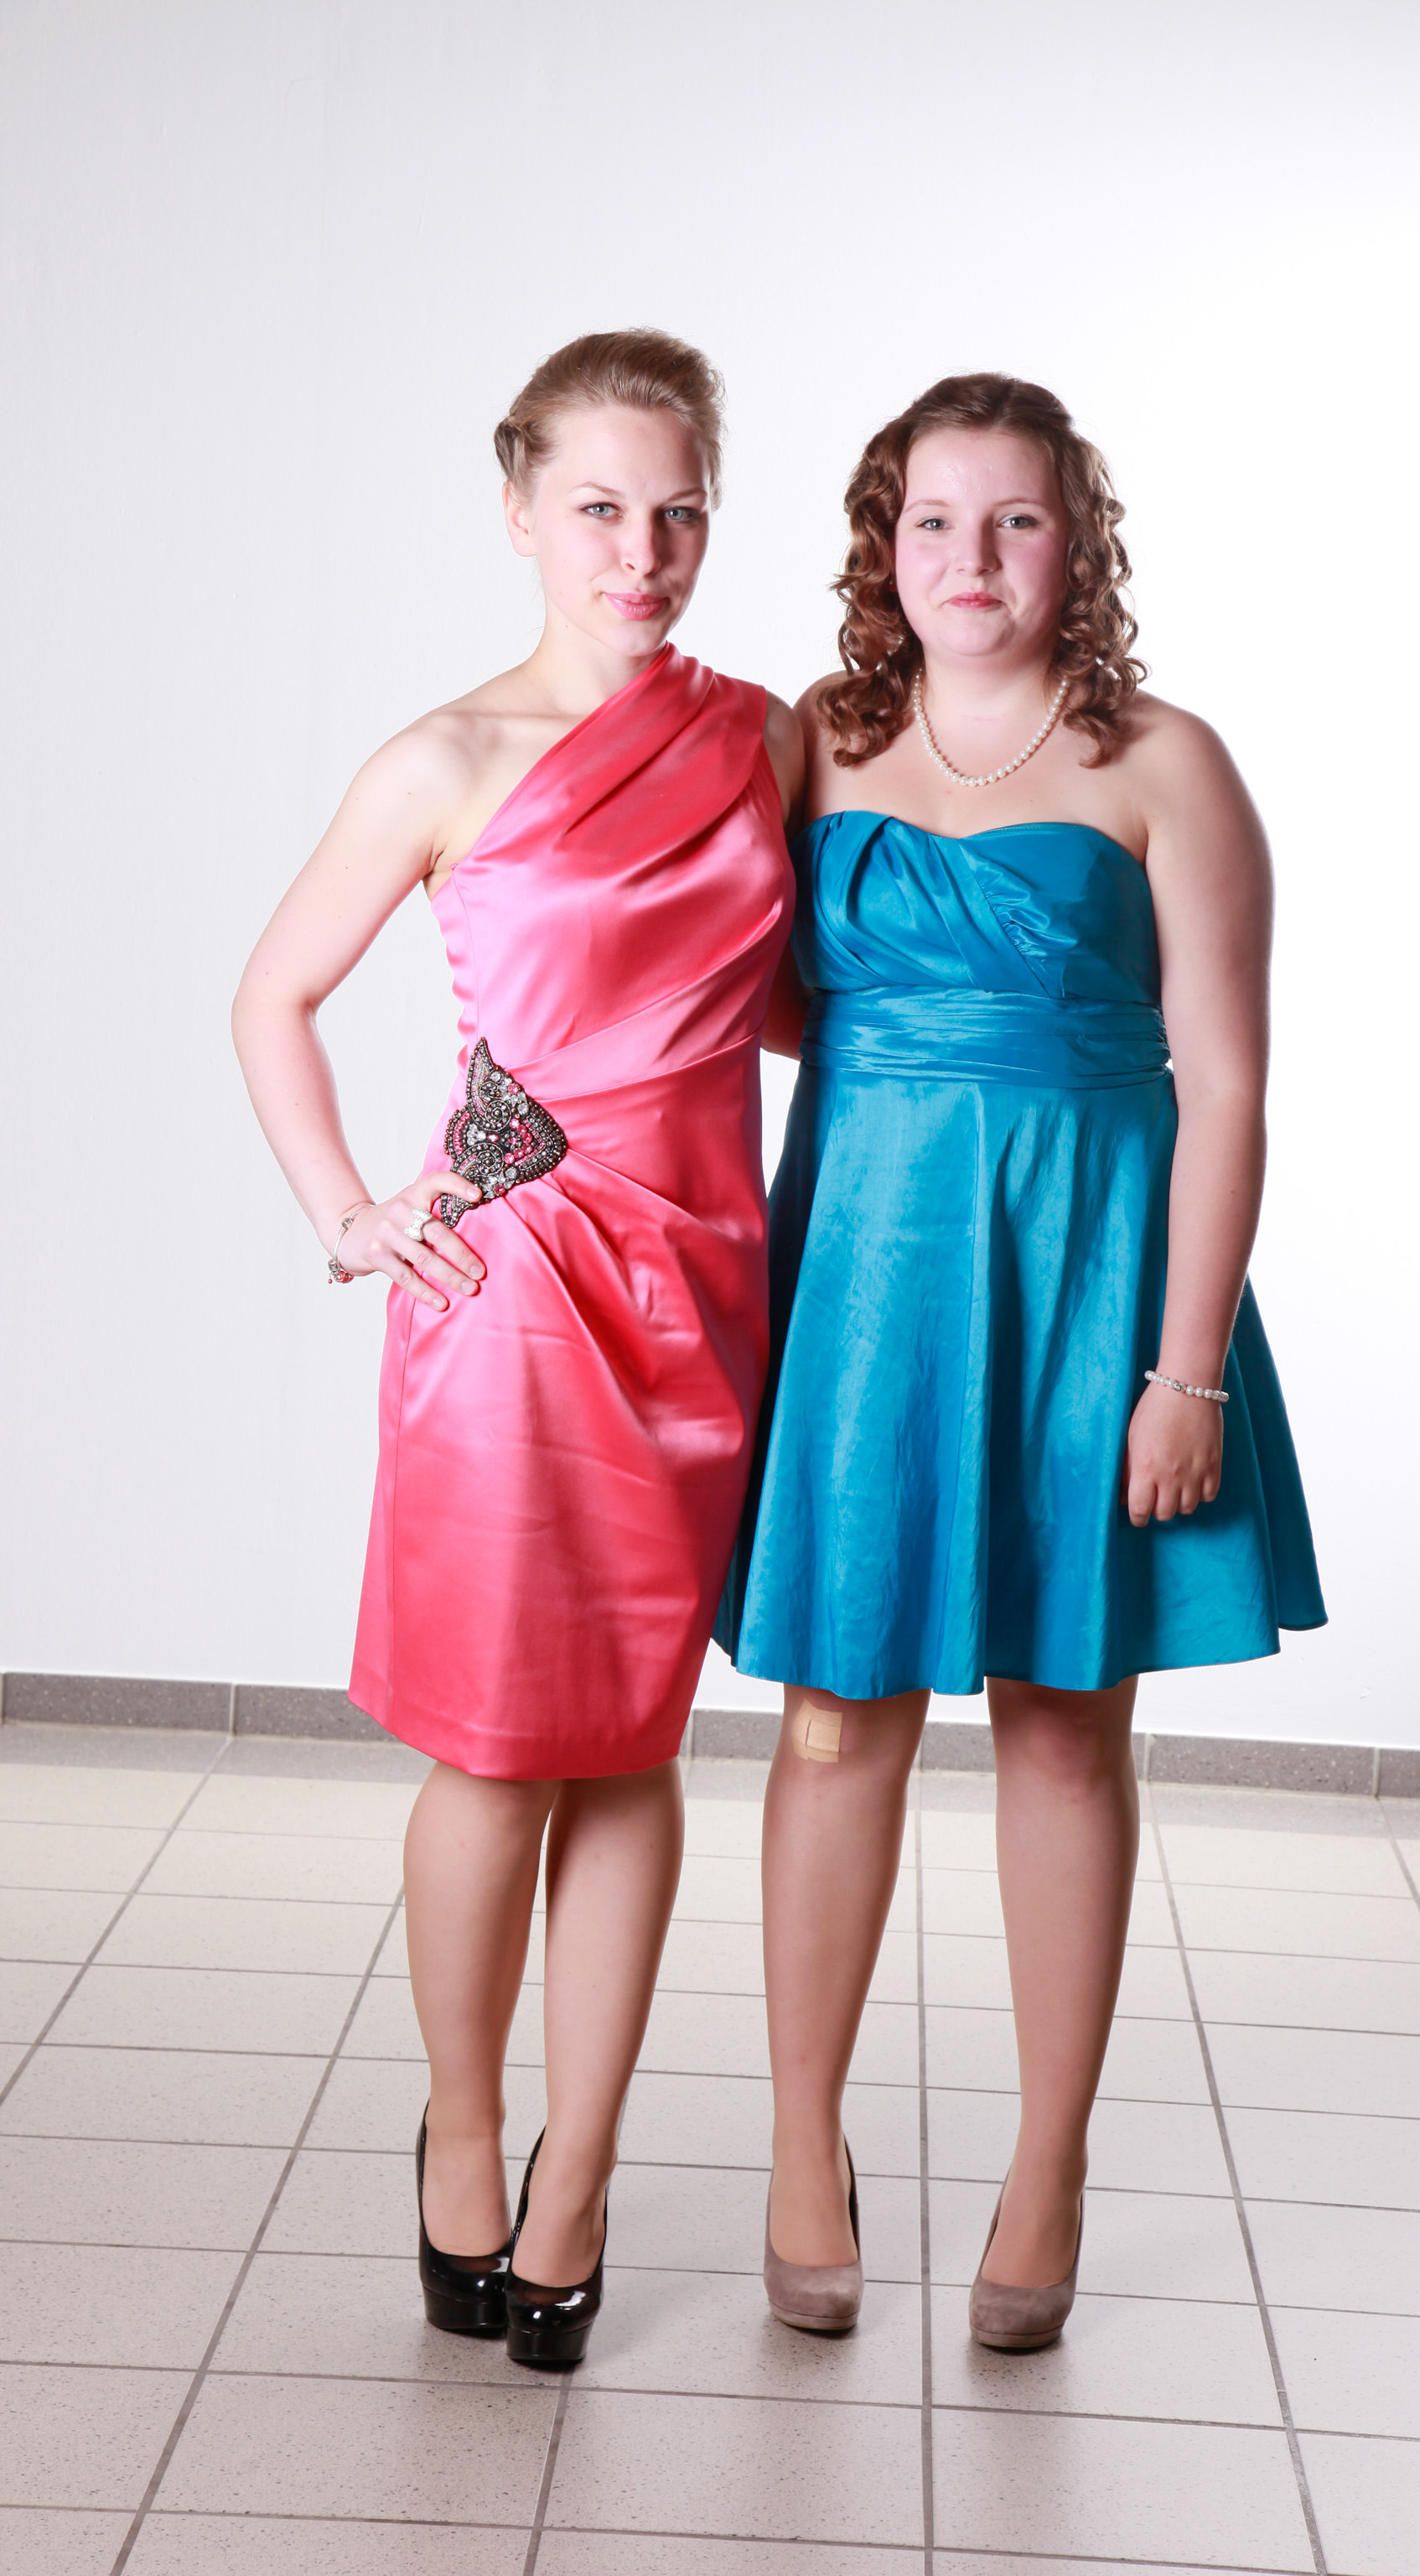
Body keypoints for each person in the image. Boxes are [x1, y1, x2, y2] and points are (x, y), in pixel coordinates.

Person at [718, 372, 1324, 2350]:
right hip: (866, 1286)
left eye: (1016, 520)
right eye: (933, 521)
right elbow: (748, 994)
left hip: (1088, 1288)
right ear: (881, 545)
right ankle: (801, 2150)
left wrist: (1186, 1369)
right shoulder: (814, 743)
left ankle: (1045, 2167)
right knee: (834, 1720)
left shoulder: (1163, 761)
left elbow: (1227, 1085)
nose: (970, 558)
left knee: (1064, 1728)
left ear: (1079, 541)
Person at [233, 329, 801, 2368]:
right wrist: (349, 1214)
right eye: (598, 508)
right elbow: (271, 998)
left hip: (701, 1290)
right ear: (517, 512)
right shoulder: (444, 759)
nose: (640, 551)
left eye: (677, 512)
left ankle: (582, 2173)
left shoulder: (763, 739)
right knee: (494, 1746)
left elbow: (784, 998)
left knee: (632, 1741)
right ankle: (464, 2130)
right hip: (513, 1295)